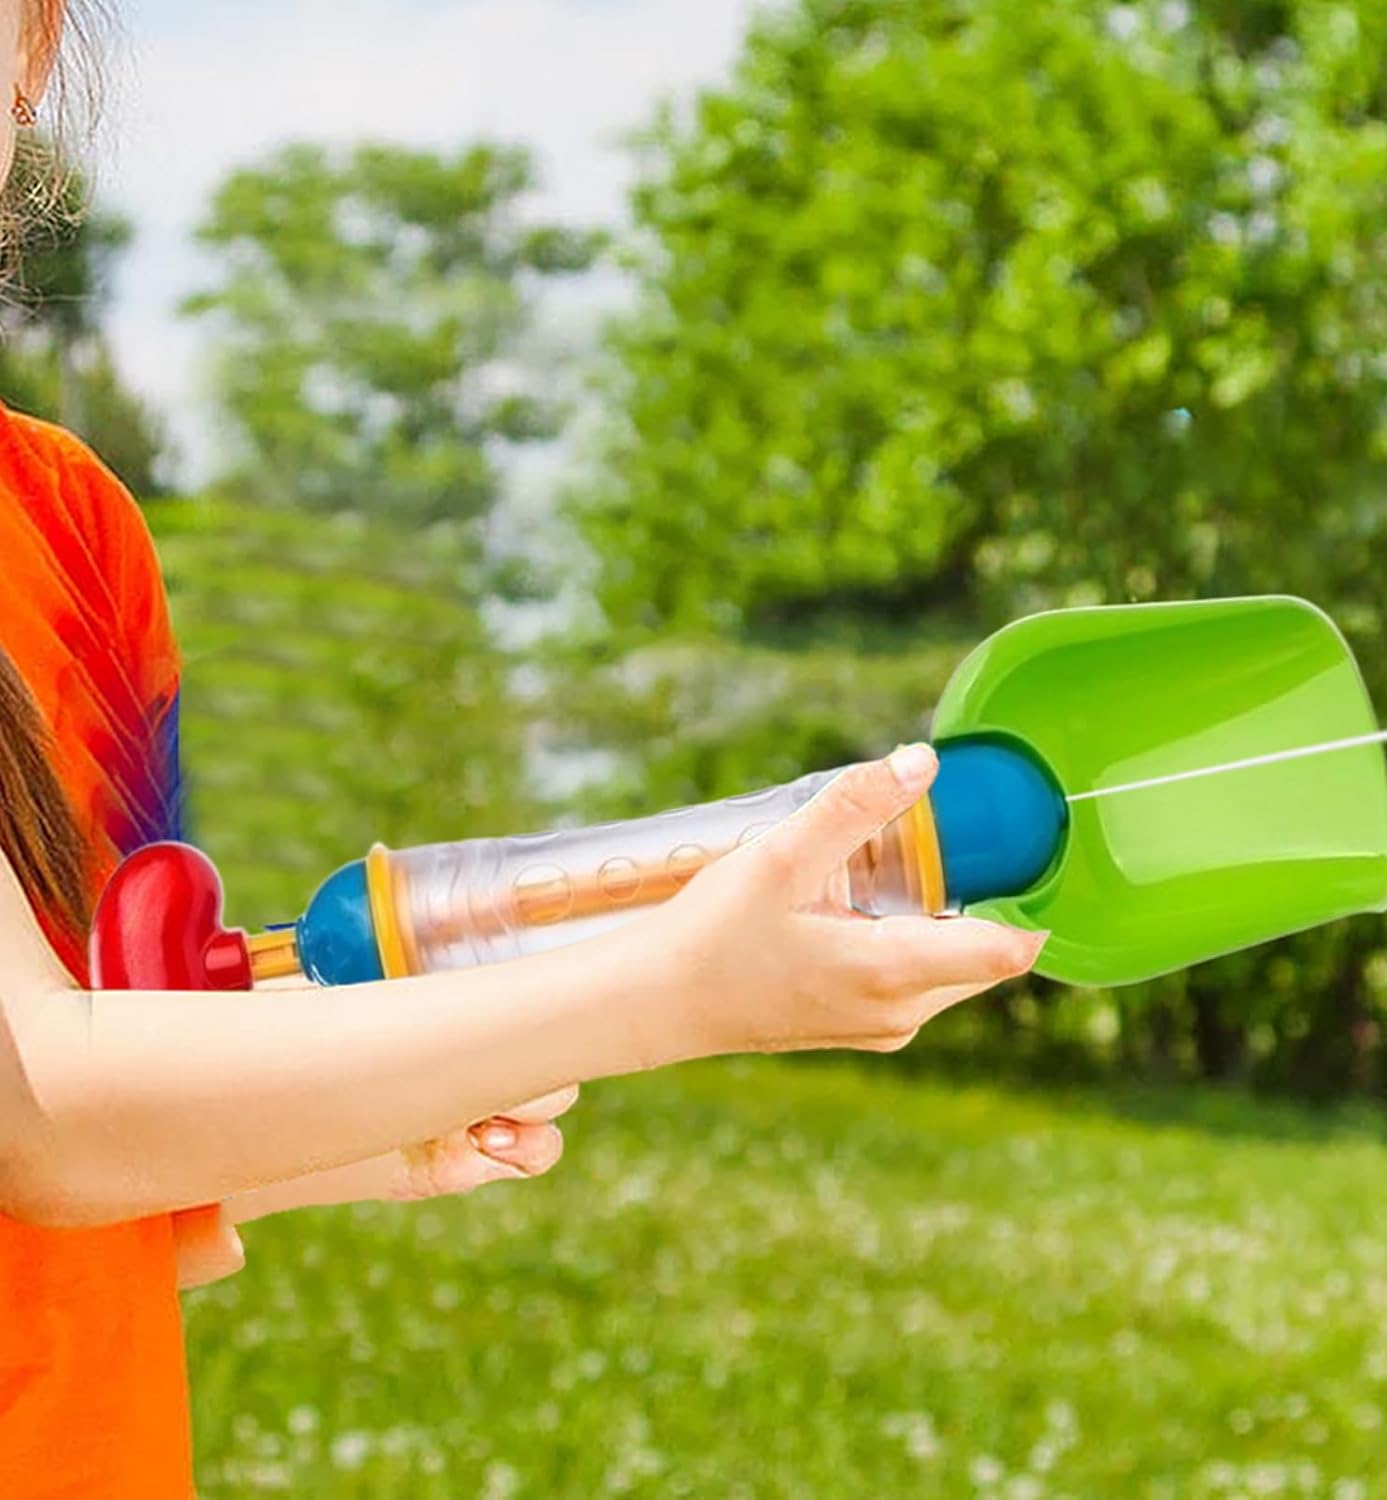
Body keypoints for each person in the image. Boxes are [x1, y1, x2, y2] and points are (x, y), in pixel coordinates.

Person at [0, 2, 1047, 1494]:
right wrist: (669, 992)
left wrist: (384, 1117)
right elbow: (41, 1108)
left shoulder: (69, 528)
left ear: (33, 57)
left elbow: (107, 1177)